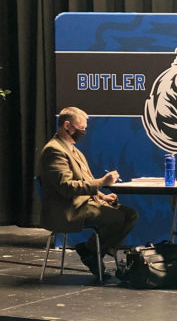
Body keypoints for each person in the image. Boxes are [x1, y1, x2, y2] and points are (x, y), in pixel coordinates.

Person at [38, 107, 138, 278]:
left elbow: (83, 181)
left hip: (82, 203)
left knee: (130, 215)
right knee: (117, 218)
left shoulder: (74, 150)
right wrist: (101, 183)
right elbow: (67, 187)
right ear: (67, 125)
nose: (83, 132)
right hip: (67, 209)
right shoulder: (54, 150)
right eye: (81, 128)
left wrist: (102, 196)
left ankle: (90, 251)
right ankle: (92, 253)